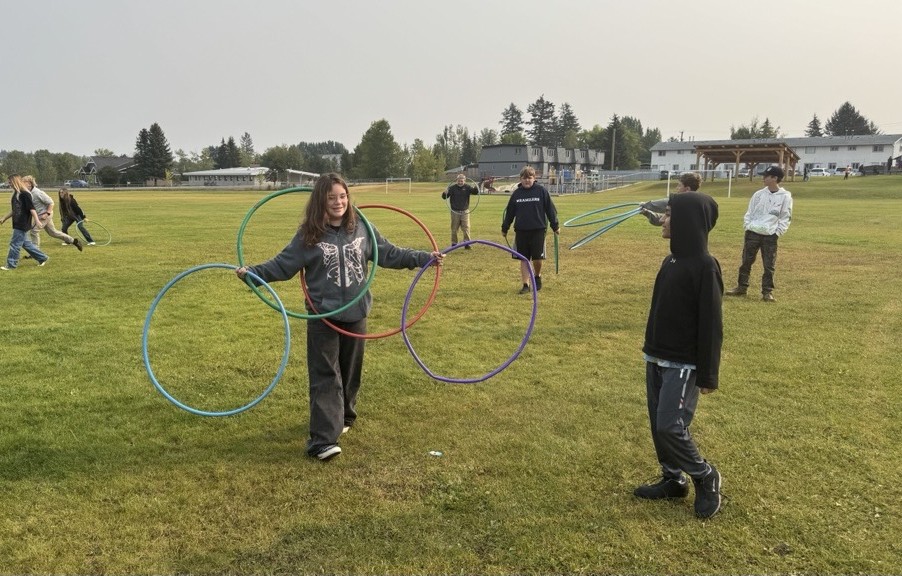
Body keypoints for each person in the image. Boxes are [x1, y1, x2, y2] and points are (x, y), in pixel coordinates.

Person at [235, 173, 444, 461]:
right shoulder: (308, 235)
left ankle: (344, 415)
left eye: (343, 196)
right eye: (331, 197)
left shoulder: (362, 227)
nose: (338, 202)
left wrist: (423, 258)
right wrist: (253, 274)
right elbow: (283, 264)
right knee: (325, 375)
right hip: (323, 315)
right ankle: (323, 440)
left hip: (356, 313)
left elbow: (389, 253)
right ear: (320, 200)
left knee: (349, 371)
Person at [634, 192, 724, 519]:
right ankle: (673, 479)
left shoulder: (705, 266)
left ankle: (704, 475)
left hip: (684, 362)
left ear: (686, 222)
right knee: (658, 424)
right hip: (656, 356)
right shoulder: (669, 261)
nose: (664, 220)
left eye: (670, 215)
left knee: (670, 426)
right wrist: (650, 348)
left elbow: (711, 324)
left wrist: (709, 374)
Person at [725, 166, 793, 302]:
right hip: (753, 233)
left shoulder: (785, 196)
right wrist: (748, 226)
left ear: (775, 178)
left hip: (770, 235)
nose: (764, 178)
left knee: (769, 265)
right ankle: (741, 287)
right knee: (746, 262)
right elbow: (749, 211)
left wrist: (778, 232)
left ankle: (767, 292)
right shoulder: (758, 194)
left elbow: (786, 216)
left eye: (767, 176)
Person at [501, 166, 560, 294]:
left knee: (537, 258)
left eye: (529, 178)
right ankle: (525, 284)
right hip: (521, 230)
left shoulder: (541, 191)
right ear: (520, 179)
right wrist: (505, 228)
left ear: (534, 178)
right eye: (524, 178)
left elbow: (550, 209)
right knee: (524, 258)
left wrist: (555, 226)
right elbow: (510, 213)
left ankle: (537, 276)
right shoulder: (516, 194)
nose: (527, 180)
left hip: (538, 230)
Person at [22, 176, 83, 252]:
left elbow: (51, 203)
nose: (22, 184)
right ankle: (74, 241)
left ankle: (35, 252)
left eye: (24, 182)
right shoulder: (28, 193)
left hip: (45, 215)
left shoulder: (37, 193)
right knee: (53, 233)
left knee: (34, 231)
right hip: (40, 215)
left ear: (29, 184)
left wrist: (47, 214)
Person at [1, 175, 50, 269]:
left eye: (10, 182)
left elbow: (32, 209)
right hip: (17, 223)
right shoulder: (16, 194)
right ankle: (42, 258)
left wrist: (37, 221)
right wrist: (4, 218)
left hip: (22, 223)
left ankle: (11, 265)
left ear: (15, 182)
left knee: (15, 244)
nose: (9, 184)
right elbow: (14, 210)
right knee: (26, 244)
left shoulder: (25, 194)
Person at [441, 173, 478, 248]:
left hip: (465, 211)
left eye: (462, 181)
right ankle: (454, 243)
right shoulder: (452, 188)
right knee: (454, 228)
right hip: (455, 211)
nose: (460, 182)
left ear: (464, 181)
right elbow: (444, 197)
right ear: (456, 180)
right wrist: (444, 193)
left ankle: (467, 243)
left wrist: (476, 187)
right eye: (459, 181)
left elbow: (475, 192)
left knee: (466, 227)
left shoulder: (467, 187)